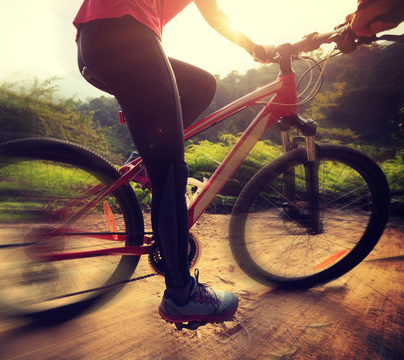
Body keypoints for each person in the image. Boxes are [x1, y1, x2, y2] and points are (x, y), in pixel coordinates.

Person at [73, 0, 270, 326]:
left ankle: (149, 158)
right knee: (172, 173)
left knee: (201, 85)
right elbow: (216, 16)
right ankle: (182, 295)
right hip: (128, 33)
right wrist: (257, 48)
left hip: (93, 41)